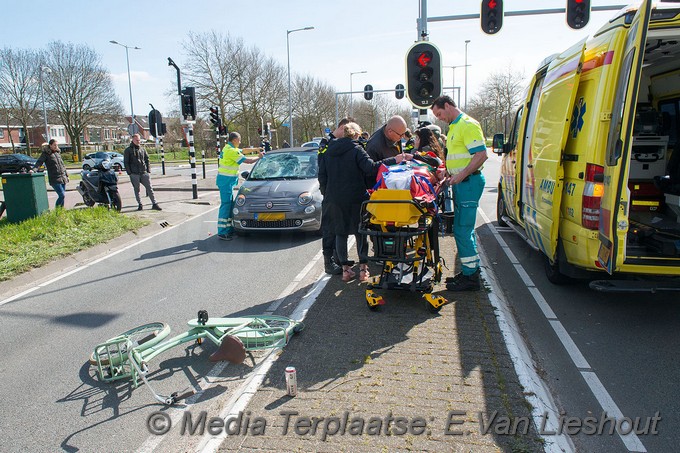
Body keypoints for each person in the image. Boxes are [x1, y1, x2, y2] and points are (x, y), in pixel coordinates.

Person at [319, 122, 412, 282]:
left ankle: (345, 270)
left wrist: (327, 193)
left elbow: (323, 174)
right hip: (356, 198)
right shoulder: (356, 149)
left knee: (340, 233)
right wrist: (394, 160)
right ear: (355, 135)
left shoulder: (329, 151)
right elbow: (371, 167)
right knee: (360, 232)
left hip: (334, 198)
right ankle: (363, 270)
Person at [431, 95, 488, 291]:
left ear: (447, 106)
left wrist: (462, 175)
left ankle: (471, 278)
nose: (439, 118)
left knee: (463, 230)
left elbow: (481, 155)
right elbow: (460, 157)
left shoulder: (467, 124)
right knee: (462, 229)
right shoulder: (455, 126)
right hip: (462, 182)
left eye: (439, 113)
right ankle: (469, 271)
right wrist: (448, 172)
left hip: (468, 183)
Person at [318, 117, 355, 275]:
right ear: (342, 127)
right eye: (347, 130)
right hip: (330, 192)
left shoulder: (340, 143)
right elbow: (322, 169)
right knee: (329, 228)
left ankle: (339, 257)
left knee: (341, 227)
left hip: (340, 191)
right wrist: (326, 191)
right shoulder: (326, 143)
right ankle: (329, 262)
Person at [216, 132, 264, 240]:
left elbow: (244, 150)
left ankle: (228, 229)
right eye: (239, 139)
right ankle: (222, 232)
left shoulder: (229, 147)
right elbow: (248, 161)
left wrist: (255, 149)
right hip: (225, 181)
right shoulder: (231, 151)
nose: (240, 142)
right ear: (234, 140)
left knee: (230, 204)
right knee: (226, 205)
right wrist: (259, 157)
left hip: (228, 181)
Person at [123, 134, 161, 211]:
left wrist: (148, 170)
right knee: (137, 189)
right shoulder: (128, 150)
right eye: (137, 140)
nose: (138, 142)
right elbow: (126, 162)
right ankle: (140, 204)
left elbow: (147, 159)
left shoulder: (142, 149)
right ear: (133, 140)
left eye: (139, 140)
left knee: (149, 188)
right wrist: (129, 172)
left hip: (143, 172)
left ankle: (154, 203)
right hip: (134, 173)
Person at [33, 139, 68, 208]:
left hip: (63, 177)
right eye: (54, 145)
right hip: (54, 178)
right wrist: (34, 169)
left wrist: (66, 175)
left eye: (57, 145)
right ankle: (57, 210)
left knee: (63, 196)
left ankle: (61, 211)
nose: (56, 146)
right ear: (50, 145)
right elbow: (39, 162)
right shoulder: (46, 154)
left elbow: (62, 165)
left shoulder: (57, 153)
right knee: (62, 195)